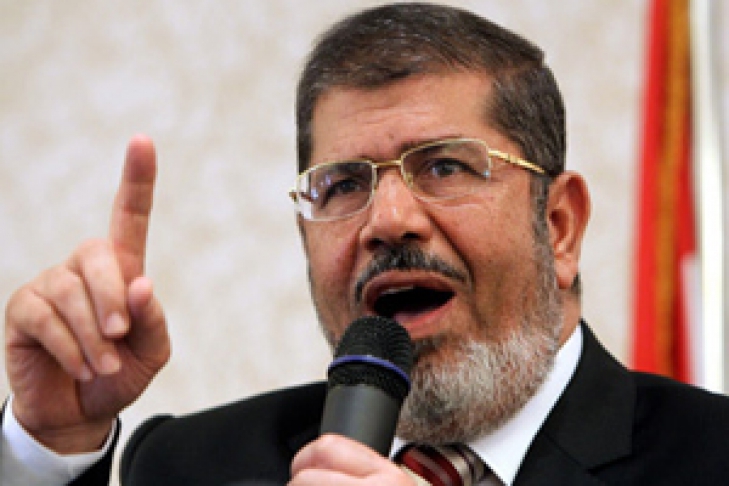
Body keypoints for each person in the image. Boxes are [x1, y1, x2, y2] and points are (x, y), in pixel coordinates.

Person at [3, 2, 729, 485]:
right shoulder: (191, 466)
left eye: (444, 166)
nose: (387, 220)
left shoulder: (710, 458)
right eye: (345, 183)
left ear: (559, 226)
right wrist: (48, 447)